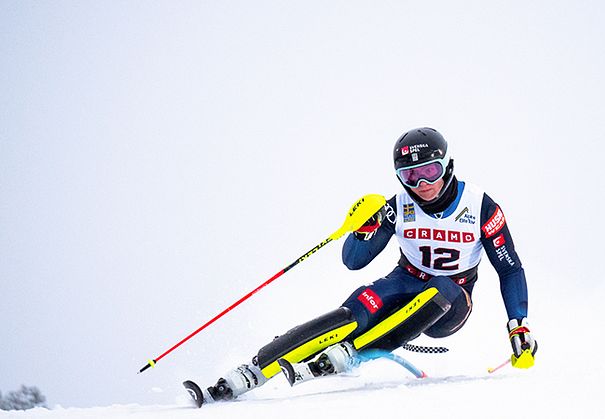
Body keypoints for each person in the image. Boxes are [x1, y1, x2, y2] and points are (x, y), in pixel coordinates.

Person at [202, 127, 537, 402]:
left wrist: (517, 325)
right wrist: (364, 232)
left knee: (442, 287)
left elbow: (509, 269)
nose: (422, 185)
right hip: (404, 282)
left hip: (450, 303)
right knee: (358, 308)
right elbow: (353, 261)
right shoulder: (398, 206)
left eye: (430, 172)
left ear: (448, 165)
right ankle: (255, 369)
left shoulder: (480, 207)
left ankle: (352, 354)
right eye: (410, 176)